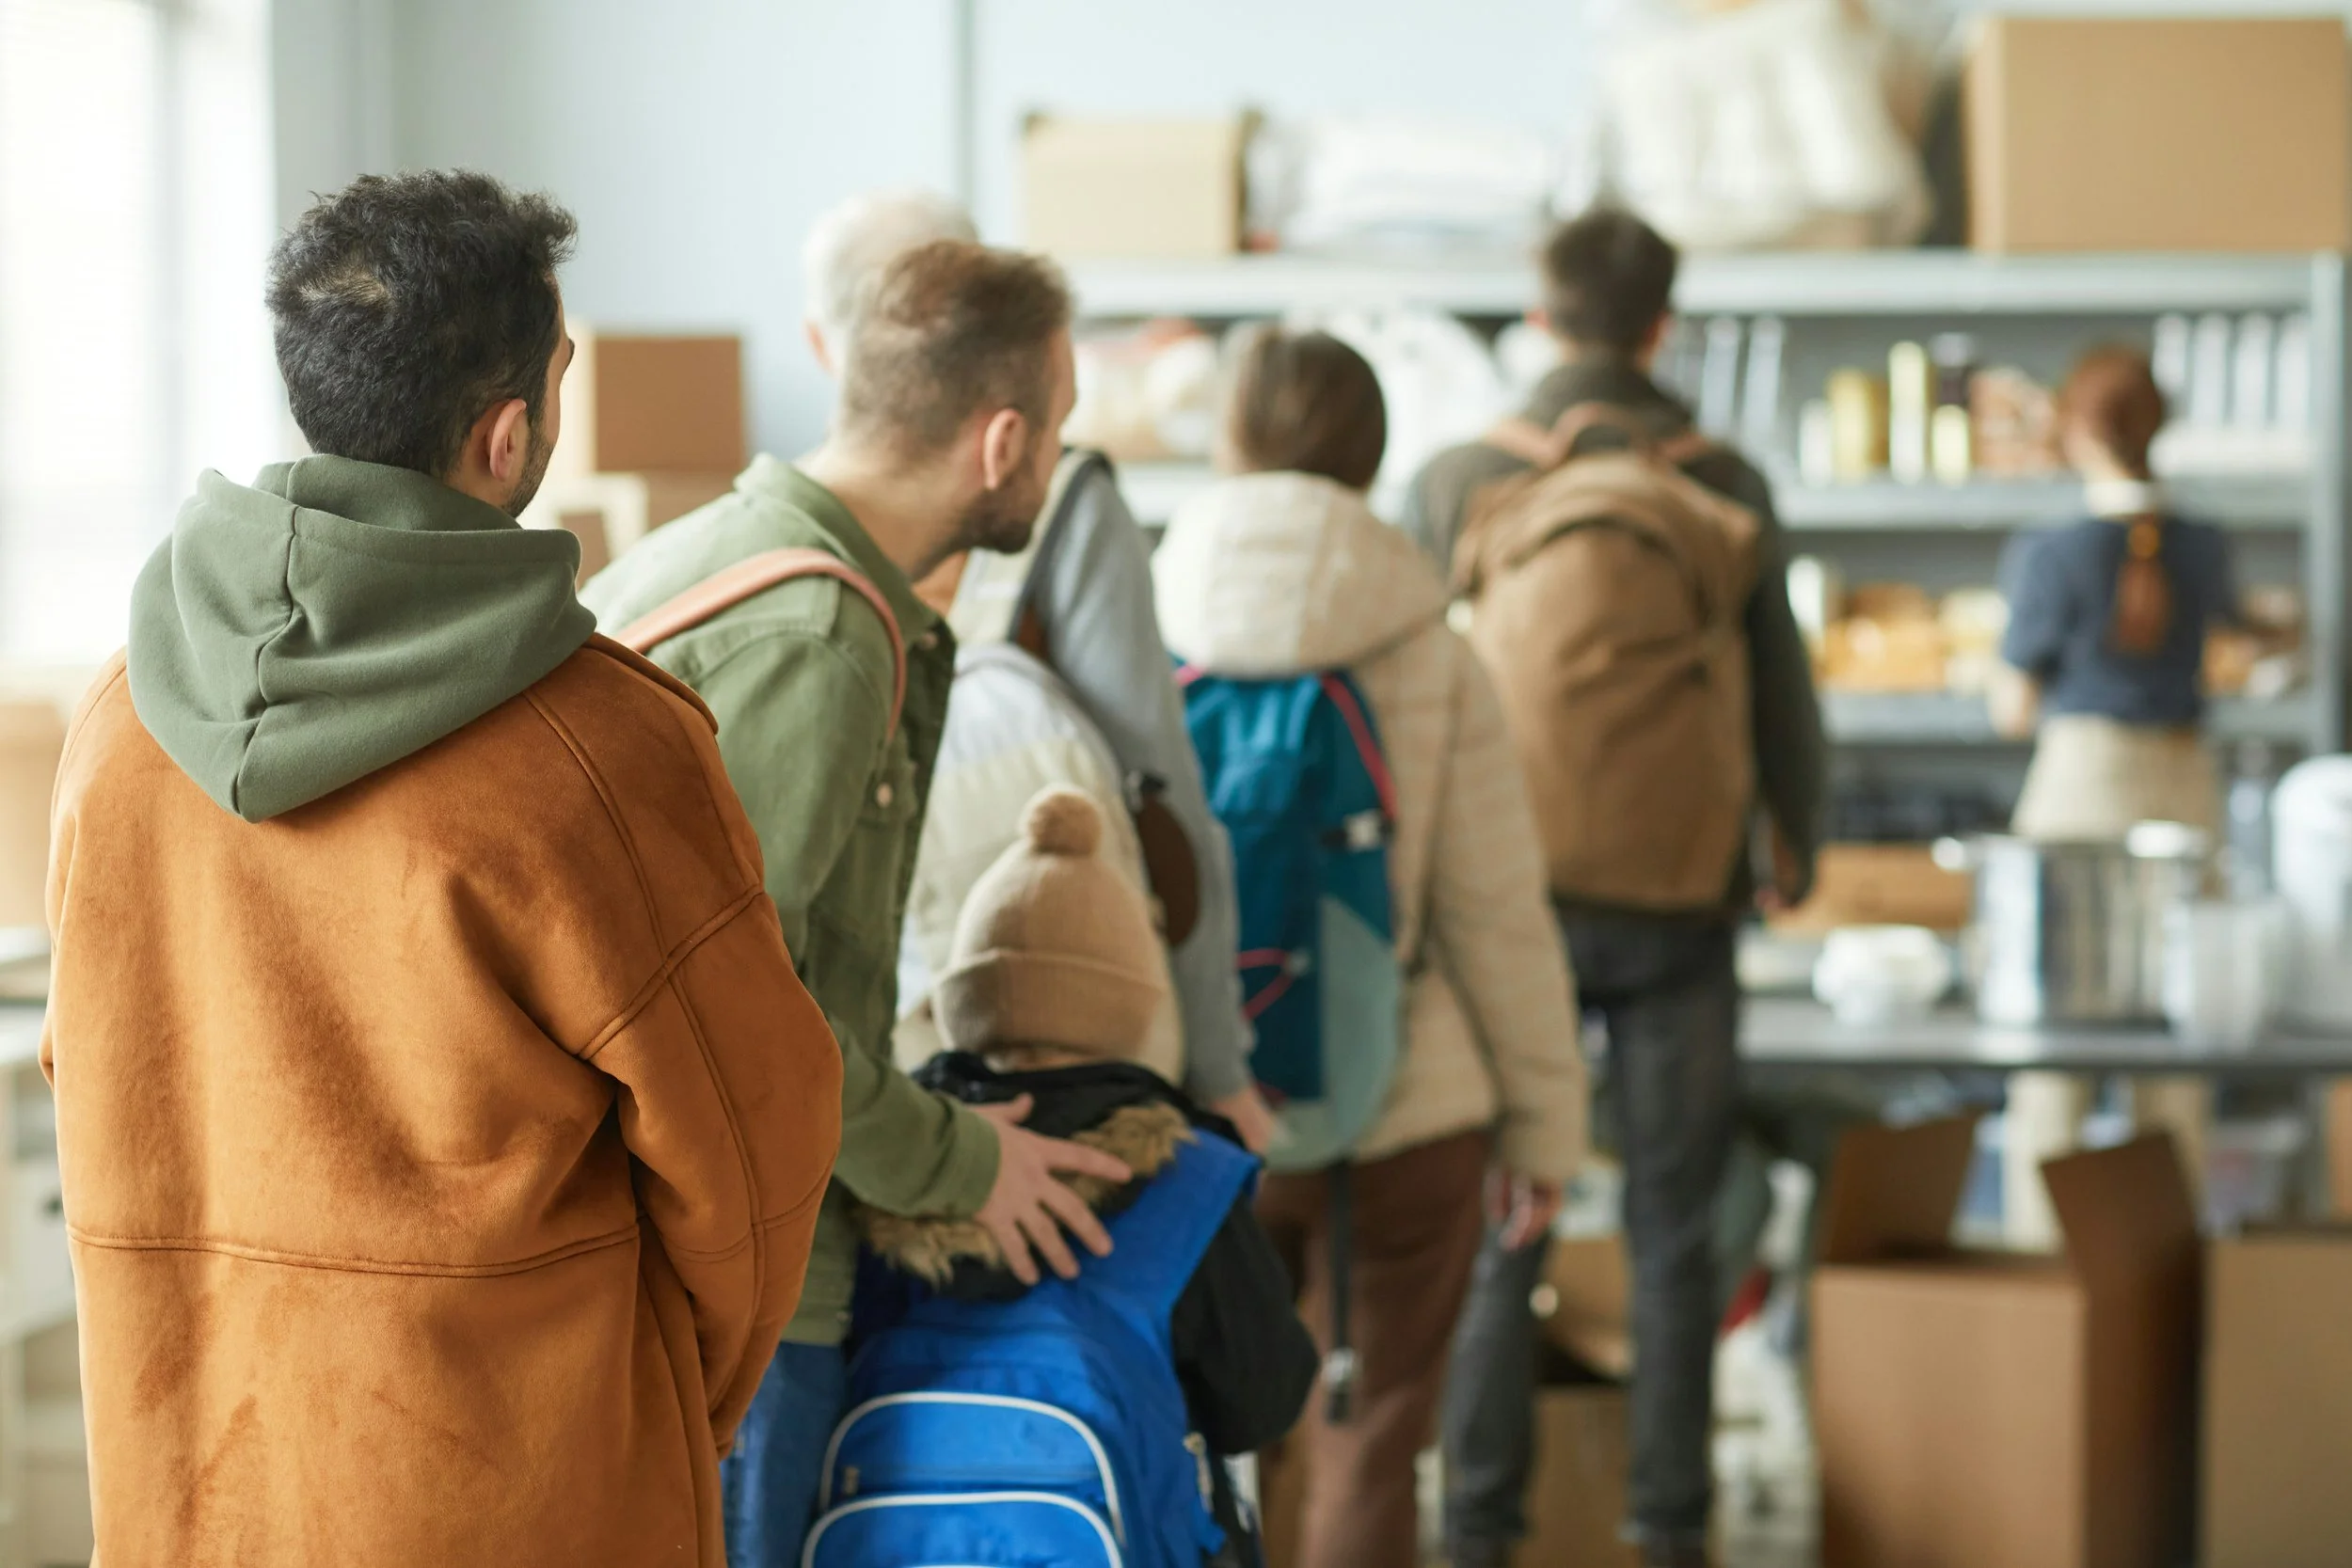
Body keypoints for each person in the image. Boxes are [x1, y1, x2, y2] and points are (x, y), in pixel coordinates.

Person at [44, 170, 844, 1568]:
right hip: (526, 1482)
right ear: (510, 429)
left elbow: (92, 1070)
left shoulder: (119, 717)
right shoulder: (599, 745)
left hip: (196, 1474)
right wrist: (671, 1399)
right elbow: (754, 1148)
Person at [579, 238, 1134, 1565]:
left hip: (658, 1262)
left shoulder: (723, 549)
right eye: (1057, 432)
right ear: (1002, 441)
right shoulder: (816, 636)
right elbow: (737, 1014)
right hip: (730, 1287)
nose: (1052, 465)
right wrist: (965, 1161)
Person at [1406, 207, 1827, 1568]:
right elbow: (1782, 687)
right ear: (1662, 325)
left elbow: (1411, 694)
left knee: (1504, 1220)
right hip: (1679, 903)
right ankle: (1671, 1527)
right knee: (1674, 1227)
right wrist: (1793, 843)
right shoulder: (1729, 477)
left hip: (1506, 900)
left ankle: (1475, 1529)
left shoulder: (1463, 474)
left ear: (1540, 318)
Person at [1153, 326, 1589, 1568]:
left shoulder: (1143, 615)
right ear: (1375, 450)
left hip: (1195, 1110)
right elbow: (1495, 912)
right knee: (1373, 1434)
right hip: (1410, 1113)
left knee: (1210, 1437)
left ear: (1227, 440)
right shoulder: (1432, 648)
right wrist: (1546, 1129)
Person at [799, 189, 1272, 1152]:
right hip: (1073, 1047)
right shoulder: (1060, 505)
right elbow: (1159, 789)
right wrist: (1221, 1070)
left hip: (866, 1085)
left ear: (820, 345)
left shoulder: (777, 536)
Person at [831, 788, 1317, 1568]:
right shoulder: (1188, 1179)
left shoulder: (894, 1167)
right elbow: (1263, 1399)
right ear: (1132, 1009)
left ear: (966, 1001)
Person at [1991, 344, 2236, 1246]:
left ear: (2081, 429)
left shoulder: (2053, 551)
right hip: (2186, 780)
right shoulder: (2205, 543)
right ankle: (2162, 1263)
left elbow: (2012, 705)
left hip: (2082, 786)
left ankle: (2038, 1260)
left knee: (2051, 1040)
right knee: (2178, 1042)